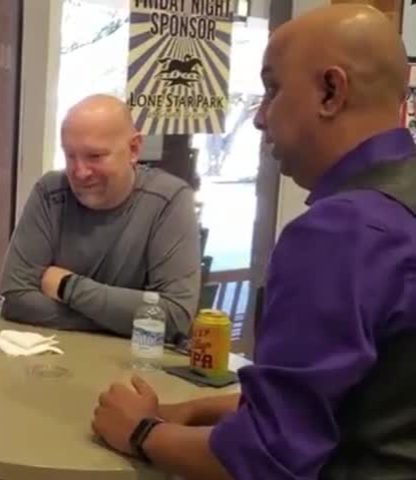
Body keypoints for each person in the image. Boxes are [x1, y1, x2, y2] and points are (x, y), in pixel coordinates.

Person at [91, 4, 416, 479]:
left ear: (331, 91)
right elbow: (354, 398)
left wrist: (141, 431)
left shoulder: (340, 233)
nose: (260, 117)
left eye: (272, 89)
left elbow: (265, 459)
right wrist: (197, 410)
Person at [0, 94, 201, 341]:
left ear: (134, 149)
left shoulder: (169, 200)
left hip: (134, 361)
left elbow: (175, 317)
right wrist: (122, 321)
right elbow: (15, 298)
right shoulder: (50, 192)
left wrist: (67, 286)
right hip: (52, 356)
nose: (80, 172)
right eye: (70, 156)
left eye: (95, 156)